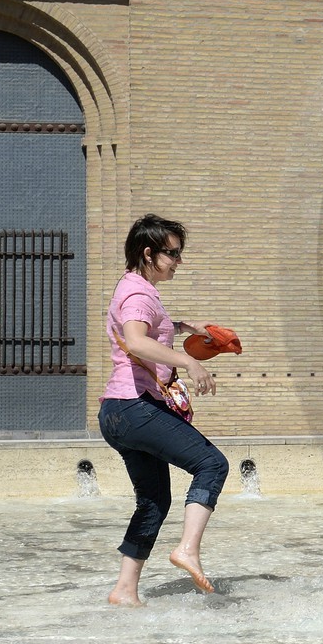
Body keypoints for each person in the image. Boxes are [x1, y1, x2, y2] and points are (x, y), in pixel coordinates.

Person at [99, 214, 227, 605]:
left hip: (117, 413)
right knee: (212, 465)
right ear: (148, 252)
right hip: (137, 407)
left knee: (154, 500)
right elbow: (137, 341)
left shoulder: (136, 287)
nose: (178, 261)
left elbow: (145, 326)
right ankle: (187, 550)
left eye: (179, 253)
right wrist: (188, 361)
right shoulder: (138, 293)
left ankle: (125, 590)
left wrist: (185, 326)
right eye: (172, 254)